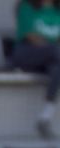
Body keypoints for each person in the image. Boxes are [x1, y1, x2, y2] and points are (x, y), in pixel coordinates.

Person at [11, 0, 60, 139]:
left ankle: (45, 116)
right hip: (27, 53)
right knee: (56, 52)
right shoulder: (27, 6)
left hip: (52, 58)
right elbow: (31, 37)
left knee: (58, 69)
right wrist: (53, 47)